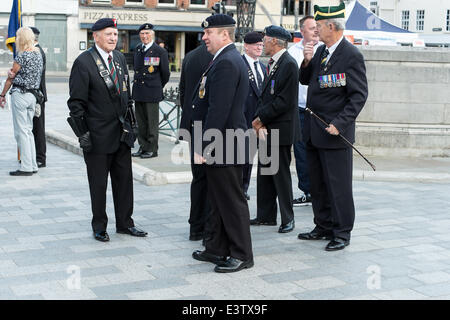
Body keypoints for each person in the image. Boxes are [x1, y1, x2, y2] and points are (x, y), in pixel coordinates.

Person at [67, 18, 147, 242]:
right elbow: (76, 104)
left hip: (122, 134)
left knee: (124, 182)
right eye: (109, 34)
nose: (113, 38)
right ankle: (99, 226)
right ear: (96, 36)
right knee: (99, 184)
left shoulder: (120, 58)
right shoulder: (84, 63)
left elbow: (125, 95)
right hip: (97, 137)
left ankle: (125, 223)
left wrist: (131, 127)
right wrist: (84, 135)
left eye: (115, 34)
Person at [297, 3, 368, 251]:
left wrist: (340, 123)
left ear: (331, 26)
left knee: (338, 186)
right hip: (314, 130)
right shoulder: (320, 52)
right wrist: (306, 62)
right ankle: (323, 225)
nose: (315, 31)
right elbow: (306, 81)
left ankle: (341, 232)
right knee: (318, 184)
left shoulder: (351, 55)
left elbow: (358, 96)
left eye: (318, 27)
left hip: (335, 133)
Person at [190, 14, 253, 273]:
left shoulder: (227, 62)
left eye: (209, 33)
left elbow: (219, 109)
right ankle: (216, 248)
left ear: (224, 34)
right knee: (217, 199)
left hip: (225, 142)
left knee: (231, 201)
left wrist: (205, 146)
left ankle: (242, 254)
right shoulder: (224, 58)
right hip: (224, 141)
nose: (204, 37)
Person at [251, 25, 300, 234]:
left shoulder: (288, 64)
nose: (263, 44)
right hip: (267, 127)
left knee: (280, 175)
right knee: (265, 173)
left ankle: (288, 218)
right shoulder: (272, 63)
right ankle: (265, 215)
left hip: (279, 129)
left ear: (275, 42)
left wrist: (260, 119)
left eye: (266, 40)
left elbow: (284, 101)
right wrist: (260, 120)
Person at [178, 42, 214, 242]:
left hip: (194, 123)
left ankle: (195, 226)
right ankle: (207, 225)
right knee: (211, 179)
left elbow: (183, 92)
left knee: (198, 178)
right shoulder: (215, 57)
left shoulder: (190, 56)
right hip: (211, 125)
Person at [0, 27, 43, 176]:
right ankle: (32, 165)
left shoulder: (22, 55)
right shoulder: (38, 55)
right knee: (28, 131)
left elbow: (11, 77)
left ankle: (25, 167)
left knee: (21, 132)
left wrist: (2, 94)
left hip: (20, 95)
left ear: (21, 39)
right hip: (33, 96)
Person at [288, 16, 320, 207]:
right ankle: (307, 191)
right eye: (311, 28)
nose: (316, 31)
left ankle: (320, 191)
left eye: (317, 27)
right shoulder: (293, 52)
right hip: (300, 109)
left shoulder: (324, 49)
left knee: (319, 151)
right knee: (301, 153)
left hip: (319, 111)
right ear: (302, 31)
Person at [131, 23, 170, 159]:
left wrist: (157, 86)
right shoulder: (138, 49)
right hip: (139, 91)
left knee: (151, 124)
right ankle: (143, 147)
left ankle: (152, 149)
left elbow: (165, 74)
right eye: (142, 34)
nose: (144, 36)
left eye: (147, 33)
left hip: (152, 92)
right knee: (141, 123)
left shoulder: (160, 51)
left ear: (152, 35)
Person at [241, 31, 266, 201]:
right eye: (256, 45)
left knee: (251, 159)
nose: (260, 47)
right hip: (244, 120)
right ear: (246, 46)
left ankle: (245, 187)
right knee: (241, 158)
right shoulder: (240, 64)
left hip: (260, 122)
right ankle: (239, 188)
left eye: (261, 45)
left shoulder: (263, 67)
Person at [30, 27, 47, 169]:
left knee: (38, 127)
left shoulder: (38, 52)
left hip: (38, 96)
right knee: (34, 127)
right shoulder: (35, 50)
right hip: (35, 95)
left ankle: (40, 158)